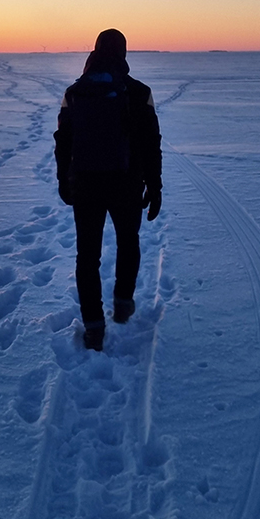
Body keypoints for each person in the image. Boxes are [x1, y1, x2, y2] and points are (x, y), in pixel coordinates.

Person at [54, 29, 162, 350]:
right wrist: (154, 186)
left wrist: (64, 179)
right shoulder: (139, 92)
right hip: (127, 183)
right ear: (123, 52)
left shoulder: (75, 92)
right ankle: (123, 304)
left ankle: (94, 328)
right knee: (128, 242)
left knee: (87, 256)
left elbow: (63, 142)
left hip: (85, 183)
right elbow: (150, 144)